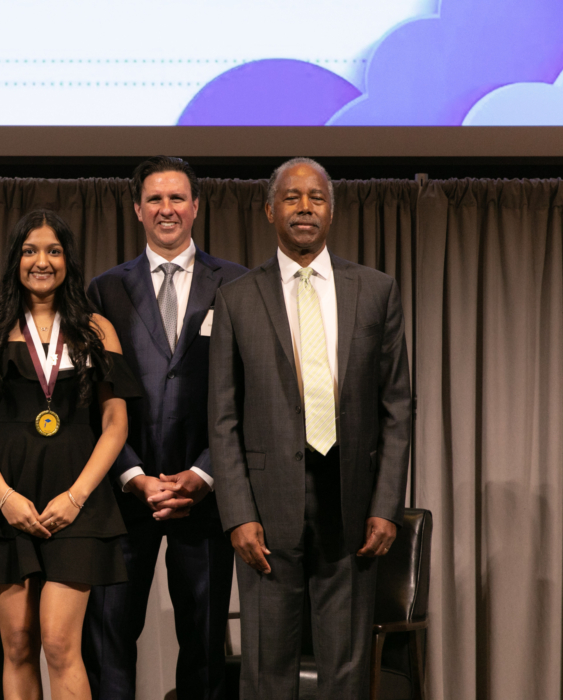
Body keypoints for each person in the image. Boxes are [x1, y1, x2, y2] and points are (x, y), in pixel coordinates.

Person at [209, 157, 412, 699]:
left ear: (332, 211)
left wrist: (386, 505)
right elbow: (222, 418)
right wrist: (238, 514)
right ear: (269, 210)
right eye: (292, 197)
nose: (305, 208)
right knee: (266, 673)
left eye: (316, 198)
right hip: (265, 513)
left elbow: (397, 405)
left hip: (352, 507)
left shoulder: (376, 290)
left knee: (346, 672)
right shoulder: (236, 298)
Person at [0, 209, 140, 700]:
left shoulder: (97, 329)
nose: (42, 261)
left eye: (53, 251)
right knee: (17, 644)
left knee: (59, 644)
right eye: (30, 251)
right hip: (6, 503)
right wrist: (4, 498)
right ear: (15, 260)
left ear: (68, 260)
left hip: (78, 503)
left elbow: (116, 424)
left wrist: (77, 497)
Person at [83, 156, 247, 700]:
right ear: (137, 209)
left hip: (205, 496)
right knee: (108, 641)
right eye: (154, 198)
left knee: (203, 645)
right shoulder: (105, 290)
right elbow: (92, 399)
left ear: (196, 206)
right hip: (122, 496)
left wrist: (204, 472)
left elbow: (250, 393)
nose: (166, 208)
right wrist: (133, 475)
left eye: (177, 197)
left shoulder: (239, 284)